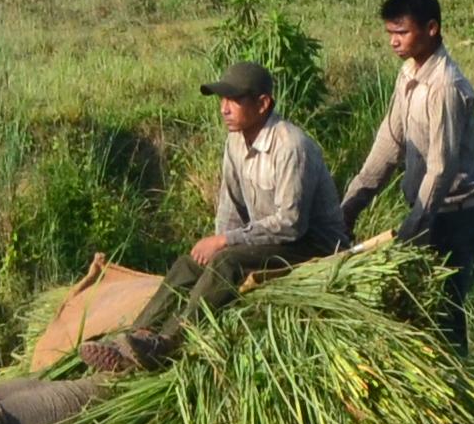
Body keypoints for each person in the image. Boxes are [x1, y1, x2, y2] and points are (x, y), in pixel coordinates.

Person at [120, 58, 339, 346]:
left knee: (226, 260)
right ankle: (138, 332)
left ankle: (170, 341)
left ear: (262, 104)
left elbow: (291, 224)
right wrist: (219, 240)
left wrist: (225, 242)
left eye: (234, 100)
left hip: (310, 247)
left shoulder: (291, 146)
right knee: (189, 264)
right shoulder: (235, 141)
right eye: (222, 100)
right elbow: (231, 207)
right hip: (271, 241)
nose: (224, 109)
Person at [338, 0, 474, 340]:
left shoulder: (445, 86)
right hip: (426, 211)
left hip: (455, 215)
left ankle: (456, 385)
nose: (394, 41)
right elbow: (388, 144)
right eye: (390, 32)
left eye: (402, 32)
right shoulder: (408, 74)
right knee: (416, 312)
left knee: (445, 313)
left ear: (431, 29)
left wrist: (416, 224)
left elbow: (442, 166)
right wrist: (349, 206)